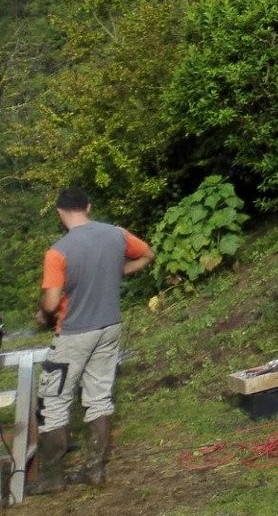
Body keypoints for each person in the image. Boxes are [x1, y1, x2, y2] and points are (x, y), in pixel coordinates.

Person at [28, 186, 152, 493]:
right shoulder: (116, 234)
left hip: (73, 335)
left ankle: (52, 479)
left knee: (54, 402)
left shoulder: (58, 252)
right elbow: (147, 254)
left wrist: (43, 315)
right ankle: (94, 470)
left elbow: (53, 301)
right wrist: (121, 270)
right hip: (109, 327)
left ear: (59, 212)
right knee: (99, 398)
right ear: (89, 206)